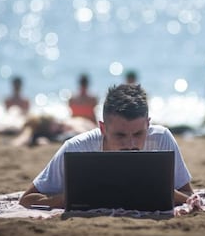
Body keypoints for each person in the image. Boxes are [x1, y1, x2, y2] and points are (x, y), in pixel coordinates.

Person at [19, 84, 193, 208]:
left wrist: (161, 191)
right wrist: (63, 200)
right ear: (102, 128)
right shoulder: (76, 148)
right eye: (120, 135)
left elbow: (188, 195)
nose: (130, 144)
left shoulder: (162, 139)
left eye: (138, 134)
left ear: (148, 125)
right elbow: (27, 199)